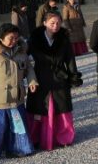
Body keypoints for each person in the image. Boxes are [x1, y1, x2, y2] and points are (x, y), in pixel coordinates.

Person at [0, 23, 38, 158]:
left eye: (16, 38)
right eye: (11, 38)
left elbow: (28, 68)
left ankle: (17, 148)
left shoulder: (21, 50)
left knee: (17, 126)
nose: (14, 41)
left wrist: (32, 81)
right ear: (1, 38)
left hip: (16, 98)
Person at [26, 12, 82, 150]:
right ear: (44, 23)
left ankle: (63, 135)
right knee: (39, 107)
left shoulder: (64, 39)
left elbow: (70, 59)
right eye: (52, 23)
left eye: (58, 23)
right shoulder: (34, 39)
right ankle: (36, 136)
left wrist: (73, 76)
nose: (55, 26)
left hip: (59, 77)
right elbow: (24, 57)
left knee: (61, 105)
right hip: (40, 76)